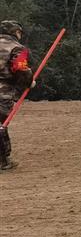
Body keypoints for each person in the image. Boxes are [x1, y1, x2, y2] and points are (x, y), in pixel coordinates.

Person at [0, 20, 34, 171]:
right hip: (3, 91)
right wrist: (29, 82)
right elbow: (20, 69)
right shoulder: (17, 48)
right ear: (15, 32)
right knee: (1, 125)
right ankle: (4, 160)